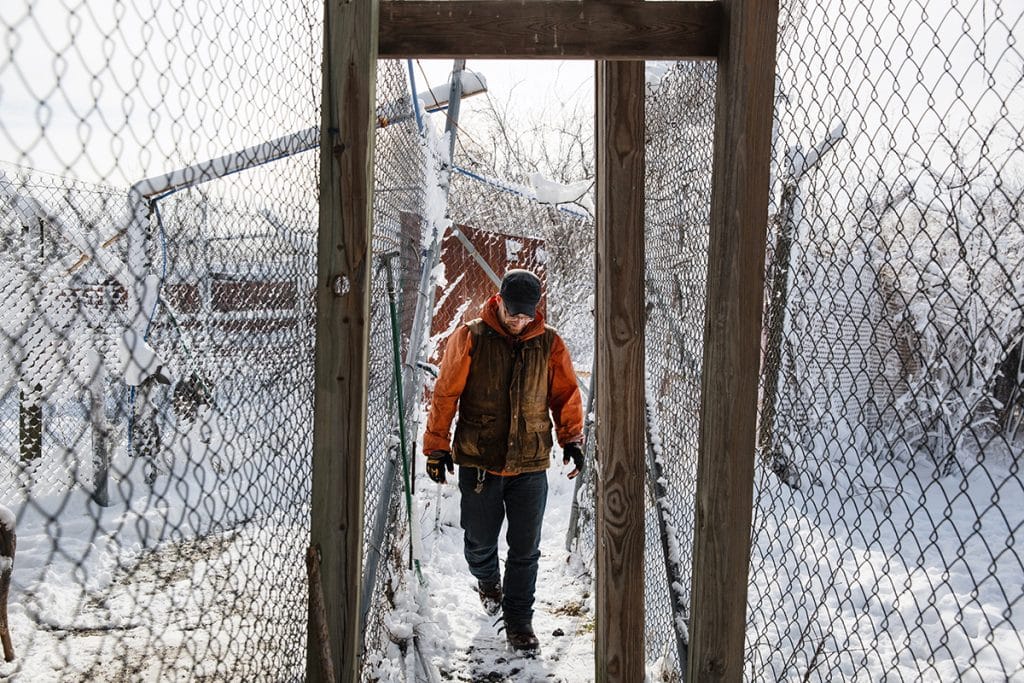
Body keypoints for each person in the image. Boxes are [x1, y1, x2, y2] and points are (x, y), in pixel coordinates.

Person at [422, 268, 584, 653]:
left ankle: (519, 622)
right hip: (479, 459)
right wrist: (436, 446)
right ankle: (487, 578)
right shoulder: (471, 336)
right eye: (514, 312)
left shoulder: (550, 343)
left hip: (529, 463)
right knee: (478, 542)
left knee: (525, 549)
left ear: (535, 311)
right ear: (499, 301)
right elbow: (446, 394)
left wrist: (572, 439)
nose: (519, 320)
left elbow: (565, 394)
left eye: (527, 314)